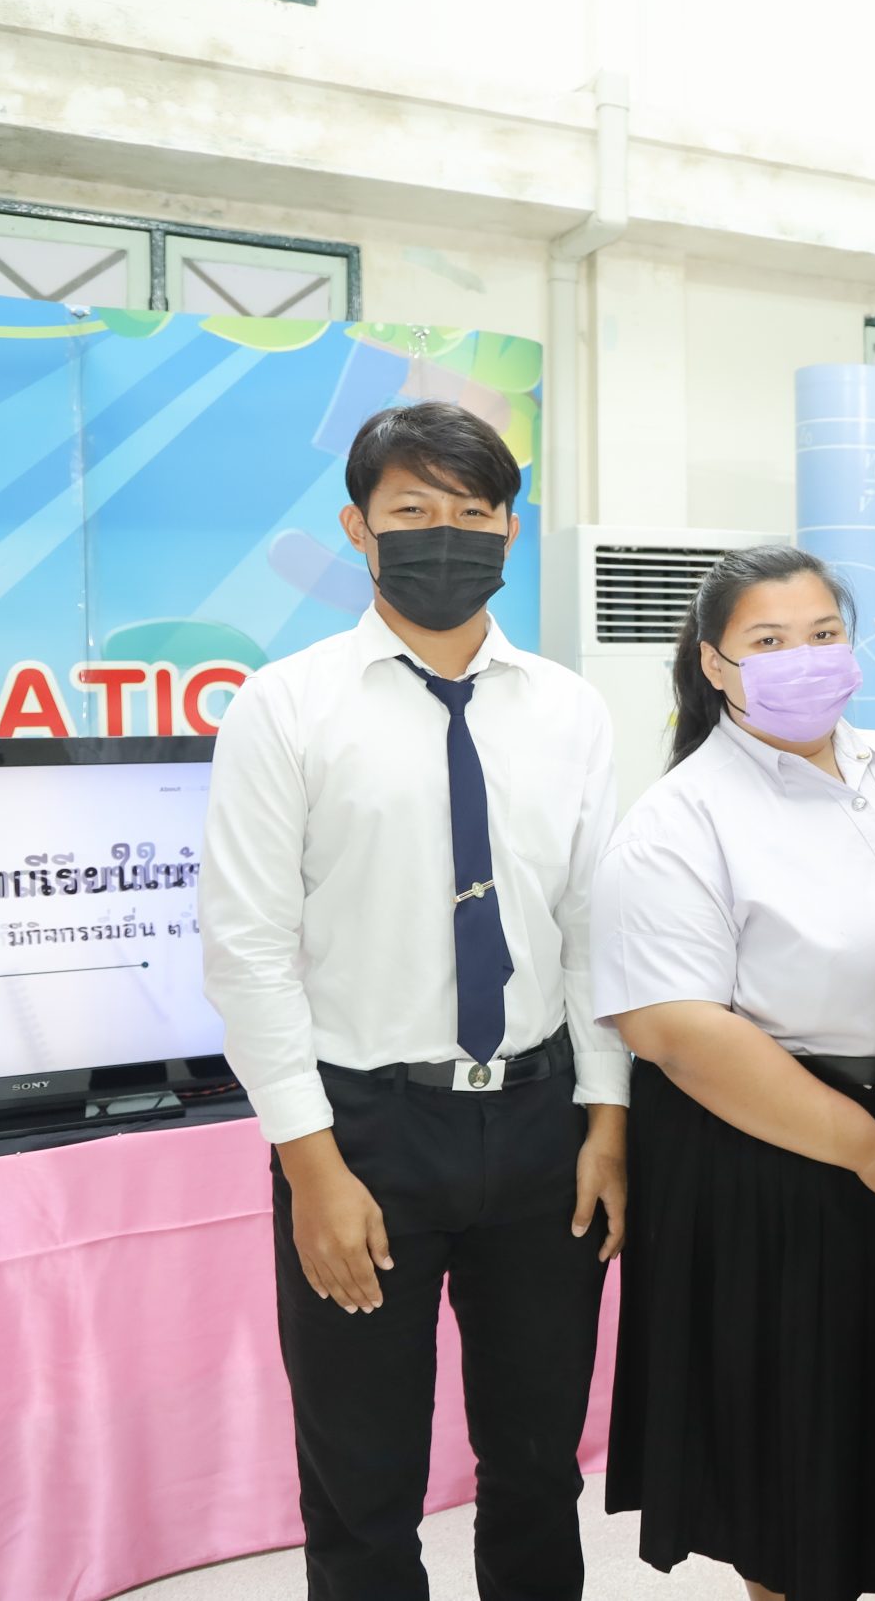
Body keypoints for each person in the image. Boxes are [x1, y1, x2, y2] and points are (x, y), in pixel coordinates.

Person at [201, 401, 625, 1601]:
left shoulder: (569, 709)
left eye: (473, 512)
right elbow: (246, 947)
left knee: (537, 1467)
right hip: (363, 1129)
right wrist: (311, 1165)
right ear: (358, 528)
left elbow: (594, 928)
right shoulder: (285, 706)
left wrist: (606, 1119)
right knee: (362, 1483)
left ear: (510, 529)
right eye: (413, 510)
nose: (447, 533)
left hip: (542, 1125)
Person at [593, 545, 875, 1601]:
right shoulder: (680, 817)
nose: (804, 657)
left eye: (823, 634)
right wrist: (870, 1148)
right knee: (798, 1471)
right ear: (714, 665)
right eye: (768, 641)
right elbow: (675, 1029)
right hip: (774, 1157)